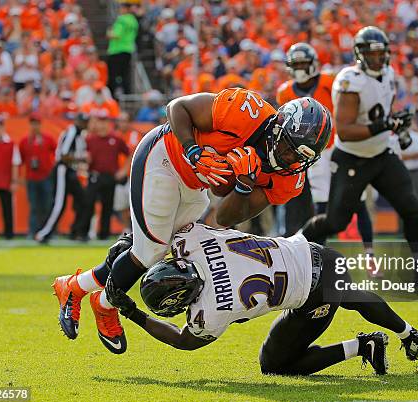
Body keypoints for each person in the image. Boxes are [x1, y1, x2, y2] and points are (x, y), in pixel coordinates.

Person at [52, 88, 332, 354]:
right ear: (278, 127)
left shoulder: (289, 178)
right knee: (150, 250)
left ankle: (80, 289)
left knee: (162, 245)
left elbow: (225, 217)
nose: (289, 159)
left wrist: (245, 183)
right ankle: (98, 301)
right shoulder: (247, 112)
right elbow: (178, 107)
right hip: (166, 157)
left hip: (195, 185)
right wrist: (192, 150)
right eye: (288, 148)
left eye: (300, 157)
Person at [103, 222, 418, 374]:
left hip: (312, 293)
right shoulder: (193, 240)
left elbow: (182, 341)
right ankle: (396, 336)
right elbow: (161, 229)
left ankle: (369, 344)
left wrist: (131, 313)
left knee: (275, 364)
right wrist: (130, 242)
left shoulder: (212, 310)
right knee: (350, 294)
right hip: (315, 253)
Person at [302, 27, 418, 272]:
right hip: (352, 158)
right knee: (336, 221)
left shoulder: (389, 74)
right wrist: (384, 124)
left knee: (411, 208)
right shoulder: (350, 80)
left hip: (381, 154)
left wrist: (396, 124)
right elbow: (346, 131)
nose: (378, 59)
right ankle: (300, 246)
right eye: (372, 54)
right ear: (360, 55)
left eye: (381, 54)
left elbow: (383, 112)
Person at [277, 42, 377, 273]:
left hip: (341, 147)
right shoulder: (285, 91)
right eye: (297, 64)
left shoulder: (331, 81)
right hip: (314, 154)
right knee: (323, 205)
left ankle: (370, 255)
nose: (301, 68)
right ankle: (320, 257)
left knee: (358, 200)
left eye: (304, 63)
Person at [35, 113, 89, 243]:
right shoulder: (72, 132)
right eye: (82, 121)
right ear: (77, 121)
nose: (84, 124)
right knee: (59, 204)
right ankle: (43, 233)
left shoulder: (79, 135)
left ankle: (76, 232)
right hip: (63, 170)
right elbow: (64, 155)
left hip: (71, 172)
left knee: (83, 200)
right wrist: (81, 158)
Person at [80, 110, 130, 240]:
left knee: (107, 206)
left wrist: (123, 170)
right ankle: (83, 233)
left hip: (109, 176)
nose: (102, 125)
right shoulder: (90, 139)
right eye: (100, 121)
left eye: (104, 121)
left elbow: (129, 153)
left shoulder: (116, 139)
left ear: (109, 123)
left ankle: (104, 234)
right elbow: (84, 157)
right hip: (94, 175)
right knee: (88, 203)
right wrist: (85, 162)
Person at [19, 113, 57, 236]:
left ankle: (48, 231)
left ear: (40, 124)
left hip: (46, 177)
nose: (35, 126)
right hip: (31, 178)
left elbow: (57, 154)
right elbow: (21, 160)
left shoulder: (48, 139)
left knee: (47, 205)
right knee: (34, 206)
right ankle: (33, 231)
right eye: (33, 123)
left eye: (37, 123)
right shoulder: (25, 141)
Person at [106, 2, 138, 96]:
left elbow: (116, 35)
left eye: (121, 8)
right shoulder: (133, 21)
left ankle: (113, 96)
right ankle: (127, 94)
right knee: (125, 75)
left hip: (116, 50)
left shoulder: (122, 19)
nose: (120, 10)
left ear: (126, 9)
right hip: (128, 49)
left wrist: (109, 33)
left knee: (113, 75)